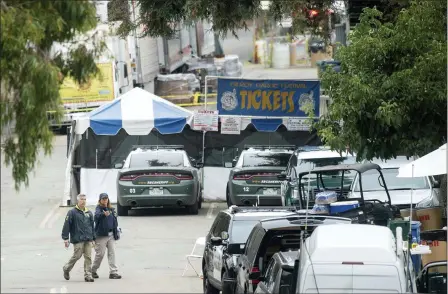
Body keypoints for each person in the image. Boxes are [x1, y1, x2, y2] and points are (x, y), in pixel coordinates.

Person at [61, 194, 95, 282]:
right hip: (78, 238)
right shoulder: (72, 212)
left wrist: (93, 238)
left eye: (85, 199)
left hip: (88, 238)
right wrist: (65, 238)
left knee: (88, 257)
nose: (83, 201)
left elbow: (92, 226)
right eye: (81, 199)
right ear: (78, 201)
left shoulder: (89, 212)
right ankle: (66, 268)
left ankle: (88, 275)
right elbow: (67, 225)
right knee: (77, 255)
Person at [92, 193, 122, 279]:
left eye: (106, 199)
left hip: (111, 234)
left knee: (112, 253)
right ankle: (93, 270)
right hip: (101, 235)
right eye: (103, 199)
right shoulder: (98, 209)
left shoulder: (111, 209)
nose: (105, 200)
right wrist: (103, 215)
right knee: (100, 254)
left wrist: (116, 231)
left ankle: (113, 272)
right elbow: (96, 217)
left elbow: (114, 222)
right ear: (100, 200)